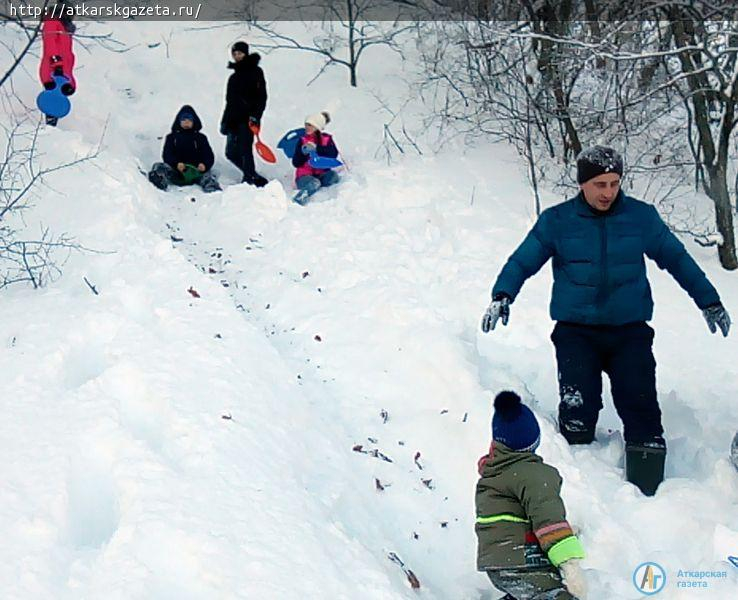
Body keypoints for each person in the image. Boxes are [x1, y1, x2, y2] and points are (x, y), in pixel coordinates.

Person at [481, 146, 731, 496]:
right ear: (583, 184)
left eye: (614, 183)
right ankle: (581, 483)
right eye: (600, 184)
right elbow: (524, 260)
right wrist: (502, 294)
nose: (608, 192)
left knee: (640, 401)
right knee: (578, 406)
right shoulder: (557, 221)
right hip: (575, 331)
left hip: (629, 331)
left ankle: (649, 490)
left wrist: (709, 300)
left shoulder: (641, 218)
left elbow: (677, 258)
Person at [476, 391, 587, 600]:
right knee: (555, 595)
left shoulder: (493, 474)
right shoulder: (535, 475)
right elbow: (548, 519)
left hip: (497, 563)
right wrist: (569, 563)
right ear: (533, 440)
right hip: (524, 559)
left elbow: (512, 520)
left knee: (531, 591)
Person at [220, 41, 268, 187]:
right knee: (230, 152)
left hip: (248, 119)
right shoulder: (233, 78)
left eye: (239, 53)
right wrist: (224, 121)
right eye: (234, 54)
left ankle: (249, 179)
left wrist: (255, 116)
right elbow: (229, 102)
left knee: (245, 149)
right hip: (233, 120)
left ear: (245, 53)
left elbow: (262, 97)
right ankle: (252, 175)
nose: (237, 56)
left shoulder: (256, 72)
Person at [148, 105, 221, 193]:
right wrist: (176, 164)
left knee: (209, 175)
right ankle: (158, 183)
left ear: (194, 122)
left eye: (189, 120)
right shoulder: (172, 137)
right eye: (184, 120)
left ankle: (213, 191)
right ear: (179, 121)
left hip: (196, 172)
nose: (186, 122)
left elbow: (208, 155)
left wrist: (204, 165)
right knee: (159, 166)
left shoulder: (201, 138)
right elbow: (167, 155)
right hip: (177, 171)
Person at [291, 111, 341, 205]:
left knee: (333, 176)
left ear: (317, 126)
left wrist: (317, 148)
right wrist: (303, 153)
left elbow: (333, 155)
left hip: (322, 174)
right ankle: (298, 200)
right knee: (314, 183)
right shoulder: (302, 140)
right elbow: (296, 163)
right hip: (304, 176)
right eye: (306, 124)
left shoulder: (327, 139)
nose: (307, 127)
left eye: (310, 125)